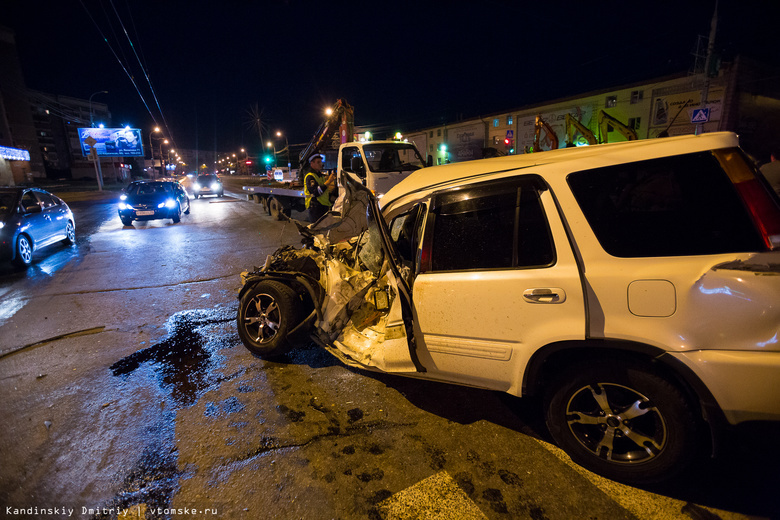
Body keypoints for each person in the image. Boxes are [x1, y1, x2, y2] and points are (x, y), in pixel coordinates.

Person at [303, 154, 336, 222]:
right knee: (317, 230)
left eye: (320, 162)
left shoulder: (320, 176)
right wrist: (329, 181)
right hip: (315, 207)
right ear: (312, 163)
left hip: (323, 206)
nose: (320, 164)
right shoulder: (310, 177)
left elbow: (326, 190)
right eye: (318, 162)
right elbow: (317, 192)